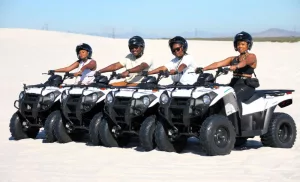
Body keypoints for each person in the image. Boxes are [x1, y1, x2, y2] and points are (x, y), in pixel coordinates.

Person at [200, 31, 258, 102]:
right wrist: (203, 69)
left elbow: (245, 62)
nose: (240, 46)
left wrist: (236, 66)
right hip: (234, 82)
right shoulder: (233, 59)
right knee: (219, 93)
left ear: (248, 45)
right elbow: (218, 64)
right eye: (238, 44)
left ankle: (238, 113)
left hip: (246, 85)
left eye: (243, 44)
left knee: (233, 98)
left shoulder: (252, 56)